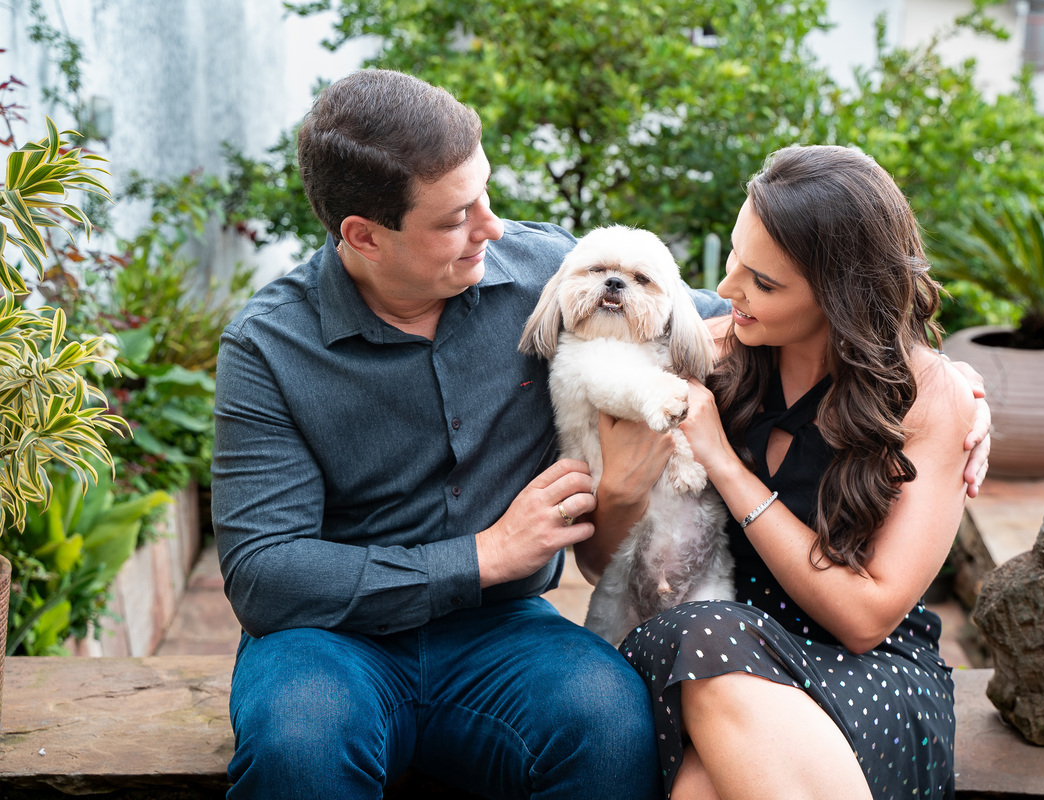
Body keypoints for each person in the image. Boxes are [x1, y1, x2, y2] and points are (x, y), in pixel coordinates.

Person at [212, 69, 988, 799]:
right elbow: (264, 575)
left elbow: (735, 314)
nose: (493, 226)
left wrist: (948, 386)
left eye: (486, 195)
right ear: (366, 234)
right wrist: (482, 555)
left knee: (611, 719)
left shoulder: (546, 271)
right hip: (329, 641)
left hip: (497, 636)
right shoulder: (270, 348)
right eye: (457, 219)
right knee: (299, 744)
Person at [579, 145, 977, 800]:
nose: (730, 289)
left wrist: (725, 465)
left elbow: (866, 618)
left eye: (763, 282)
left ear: (841, 295)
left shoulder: (928, 397)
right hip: (710, 659)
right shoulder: (707, 357)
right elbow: (605, 563)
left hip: (866, 673)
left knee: (705, 766)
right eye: (734, 258)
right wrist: (618, 485)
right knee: (700, 643)